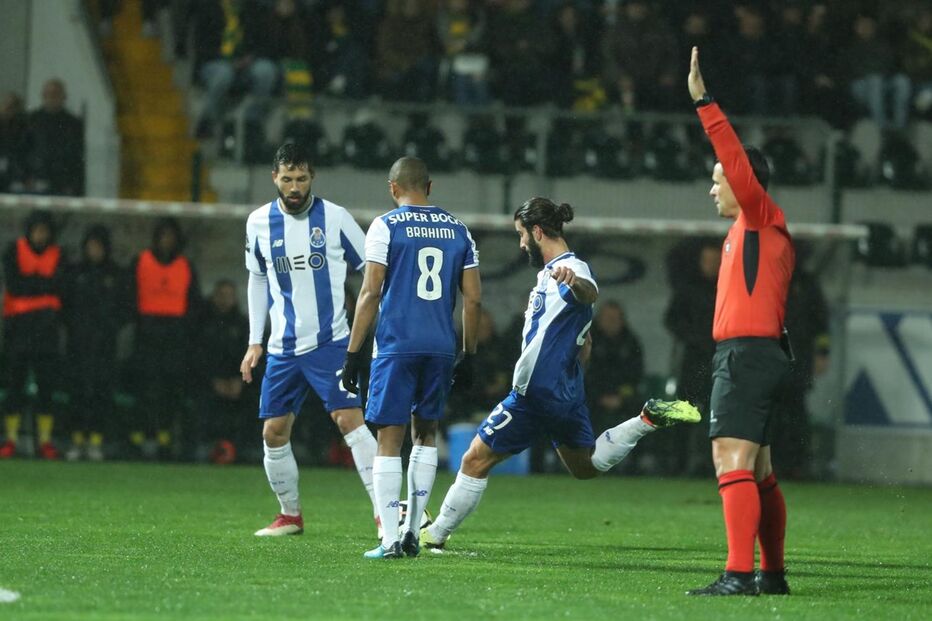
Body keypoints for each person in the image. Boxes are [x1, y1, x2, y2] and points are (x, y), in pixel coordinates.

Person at [418, 198, 700, 551]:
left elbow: (588, 291)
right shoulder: (550, 274)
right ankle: (647, 419)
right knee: (586, 465)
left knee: (475, 459)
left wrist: (575, 285)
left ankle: (436, 534)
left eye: (522, 235)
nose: (521, 244)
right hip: (563, 391)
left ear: (537, 231)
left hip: (536, 393)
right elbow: (584, 334)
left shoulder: (571, 269)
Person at [685, 47, 795, 597]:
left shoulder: (759, 215)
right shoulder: (747, 231)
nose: (713, 187)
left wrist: (705, 102)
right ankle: (771, 575)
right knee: (760, 471)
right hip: (761, 354)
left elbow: (732, 158)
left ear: (742, 179)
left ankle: (736, 574)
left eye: (718, 178)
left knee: (729, 458)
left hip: (748, 356)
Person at [340, 156, 482, 559]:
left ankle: (388, 541)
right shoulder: (459, 230)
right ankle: (413, 532)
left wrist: (353, 353)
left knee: (390, 437)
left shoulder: (385, 226)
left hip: (396, 345)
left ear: (392, 188)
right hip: (440, 346)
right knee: (426, 434)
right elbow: (472, 298)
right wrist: (468, 353)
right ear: (430, 187)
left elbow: (369, 292)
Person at [240, 142, 379, 537]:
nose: (295, 186)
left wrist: (373, 326)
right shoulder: (258, 223)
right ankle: (290, 515)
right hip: (283, 348)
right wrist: (255, 342)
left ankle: (386, 512)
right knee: (273, 431)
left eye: (301, 178)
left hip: (329, 342)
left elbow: (372, 269)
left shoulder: (335, 219)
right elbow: (258, 278)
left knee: (349, 421)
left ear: (312, 177)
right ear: (275, 178)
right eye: (287, 179)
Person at [129, 217, 200, 460]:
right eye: (163, 235)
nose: (166, 241)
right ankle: (140, 437)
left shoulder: (185, 266)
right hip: (147, 335)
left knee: (171, 392)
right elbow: (128, 296)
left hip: (175, 337)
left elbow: (194, 304)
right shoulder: (141, 262)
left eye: (171, 236)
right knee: (145, 390)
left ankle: (165, 438)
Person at [1, 211, 64, 459]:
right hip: (18, 331)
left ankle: (45, 441)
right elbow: (15, 285)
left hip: (46, 334)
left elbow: (61, 287)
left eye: (45, 231)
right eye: (37, 230)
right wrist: (42, 287)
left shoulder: (59, 256)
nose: (41, 235)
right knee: (14, 387)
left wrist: (32, 286)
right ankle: (10, 439)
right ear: (29, 231)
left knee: (47, 389)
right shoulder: (13, 251)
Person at [62, 225, 128, 462]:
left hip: (104, 347)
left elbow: (126, 308)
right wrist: (75, 327)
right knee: (77, 392)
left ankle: (97, 441)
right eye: (90, 246)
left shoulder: (116, 275)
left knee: (101, 393)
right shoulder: (75, 272)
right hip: (77, 345)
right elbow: (64, 305)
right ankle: (76, 440)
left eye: (98, 246)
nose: (94, 251)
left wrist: (109, 328)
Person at [194, 279, 253, 464]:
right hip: (207, 381)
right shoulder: (202, 323)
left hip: (238, 381)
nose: (224, 300)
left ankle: (242, 448)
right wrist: (213, 380)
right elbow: (197, 356)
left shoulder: (243, 325)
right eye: (221, 295)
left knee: (254, 400)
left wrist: (238, 379)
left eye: (229, 296)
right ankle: (204, 446)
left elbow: (251, 355)